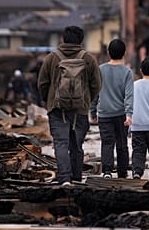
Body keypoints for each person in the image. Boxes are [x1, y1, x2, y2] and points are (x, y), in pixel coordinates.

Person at [37, 26, 102, 184]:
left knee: (60, 144)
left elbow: (42, 84)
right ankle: (76, 177)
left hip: (57, 109)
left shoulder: (51, 58)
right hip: (80, 110)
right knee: (76, 145)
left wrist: (50, 101)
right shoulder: (88, 59)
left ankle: (64, 178)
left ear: (63, 39)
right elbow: (97, 85)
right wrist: (86, 100)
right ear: (81, 40)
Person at [90, 39, 134, 178]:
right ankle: (122, 172)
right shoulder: (127, 72)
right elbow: (129, 95)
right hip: (121, 114)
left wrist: (93, 110)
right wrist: (129, 114)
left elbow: (94, 92)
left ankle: (107, 171)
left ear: (108, 53)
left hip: (104, 114)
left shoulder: (100, 70)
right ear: (124, 53)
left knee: (107, 143)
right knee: (122, 144)